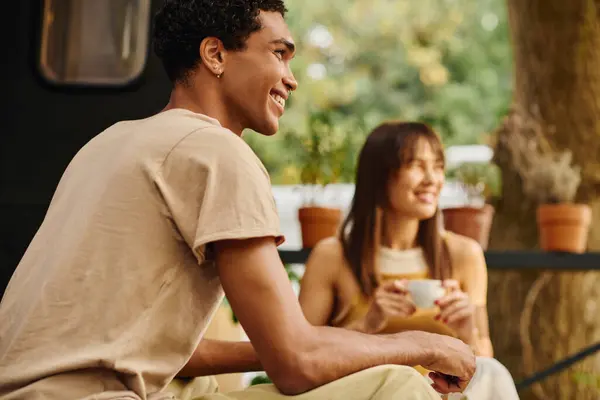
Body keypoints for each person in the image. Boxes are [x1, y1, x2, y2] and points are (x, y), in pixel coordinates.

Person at [0, 2, 476, 399]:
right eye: (279, 54)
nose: (290, 78)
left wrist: (346, 340)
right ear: (215, 55)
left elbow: (159, 348)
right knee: (394, 387)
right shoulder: (217, 150)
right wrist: (419, 344)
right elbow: (295, 364)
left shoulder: (110, 143)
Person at [298, 121, 520, 400]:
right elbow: (299, 356)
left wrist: (467, 332)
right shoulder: (332, 257)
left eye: (438, 166)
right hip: (372, 392)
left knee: (492, 371)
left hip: (443, 395)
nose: (432, 179)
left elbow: (483, 360)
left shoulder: (464, 254)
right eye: (416, 165)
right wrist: (366, 326)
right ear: (380, 176)